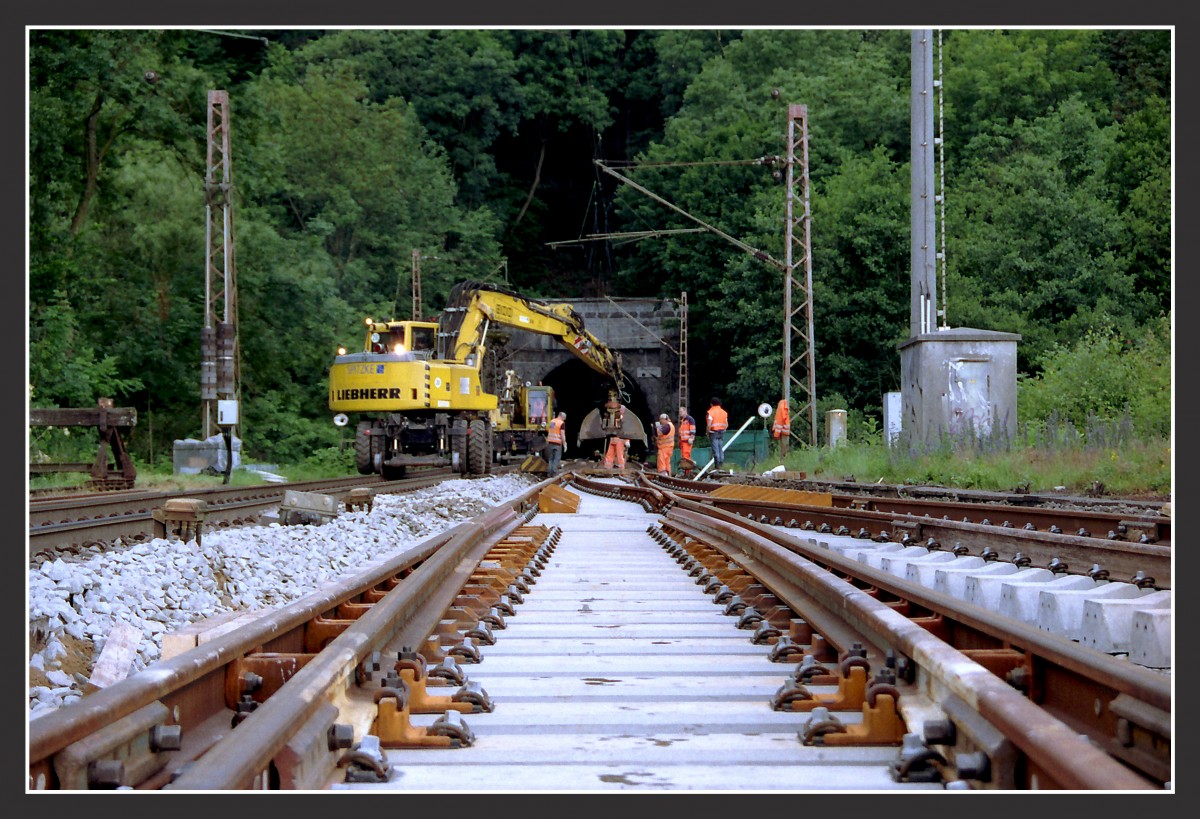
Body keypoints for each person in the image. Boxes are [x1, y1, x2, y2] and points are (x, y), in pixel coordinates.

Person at [601, 390, 630, 470]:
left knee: (619, 454)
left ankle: (621, 468)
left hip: (620, 439)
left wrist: (627, 440)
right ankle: (608, 467)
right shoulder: (618, 417)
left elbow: (626, 430)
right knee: (609, 453)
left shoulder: (624, 418)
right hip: (613, 438)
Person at [706, 397, 729, 470]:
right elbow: (726, 424)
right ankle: (721, 463)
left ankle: (717, 465)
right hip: (722, 432)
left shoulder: (711, 412)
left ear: (711, 404)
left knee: (715, 449)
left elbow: (709, 425)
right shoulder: (724, 412)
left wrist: (707, 432)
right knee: (720, 448)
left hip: (714, 432)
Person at [545, 411, 567, 476]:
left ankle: (549, 473)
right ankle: (554, 472)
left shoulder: (552, 421)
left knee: (551, 458)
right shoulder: (561, 423)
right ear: (562, 416)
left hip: (550, 442)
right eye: (564, 418)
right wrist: (564, 444)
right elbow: (562, 434)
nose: (564, 419)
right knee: (556, 458)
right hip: (557, 443)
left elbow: (549, 430)